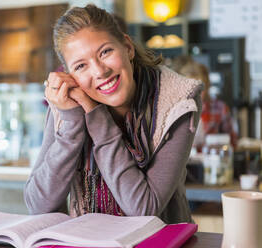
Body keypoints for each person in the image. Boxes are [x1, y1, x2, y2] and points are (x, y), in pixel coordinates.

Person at [24, 4, 203, 224]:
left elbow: (144, 209)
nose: (100, 71)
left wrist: (96, 117)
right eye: (81, 66)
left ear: (127, 47)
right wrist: (72, 126)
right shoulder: (67, 108)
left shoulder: (177, 100)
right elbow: (38, 205)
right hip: (87, 241)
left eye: (105, 52)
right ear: (71, 76)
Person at [171, 56, 237, 149]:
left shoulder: (220, 108)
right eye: (191, 90)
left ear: (207, 87)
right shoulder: (175, 111)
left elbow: (232, 142)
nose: (195, 95)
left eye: (199, 90)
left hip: (211, 160)